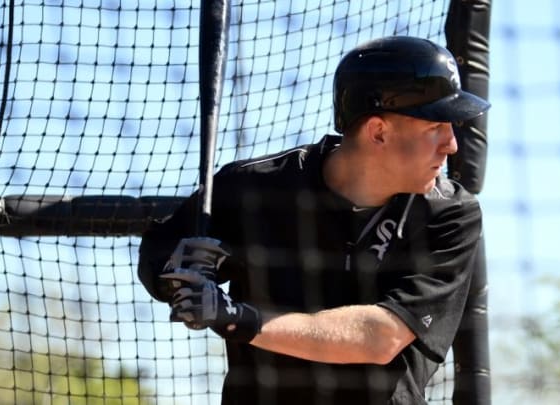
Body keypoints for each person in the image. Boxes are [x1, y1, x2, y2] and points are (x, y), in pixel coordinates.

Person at [138, 35, 490, 405]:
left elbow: (381, 337)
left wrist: (235, 318)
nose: (451, 143)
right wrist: (179, 279)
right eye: (436, 126)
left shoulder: (448, 214)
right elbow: (160, 254)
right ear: (378, 132)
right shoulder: (253, 188)